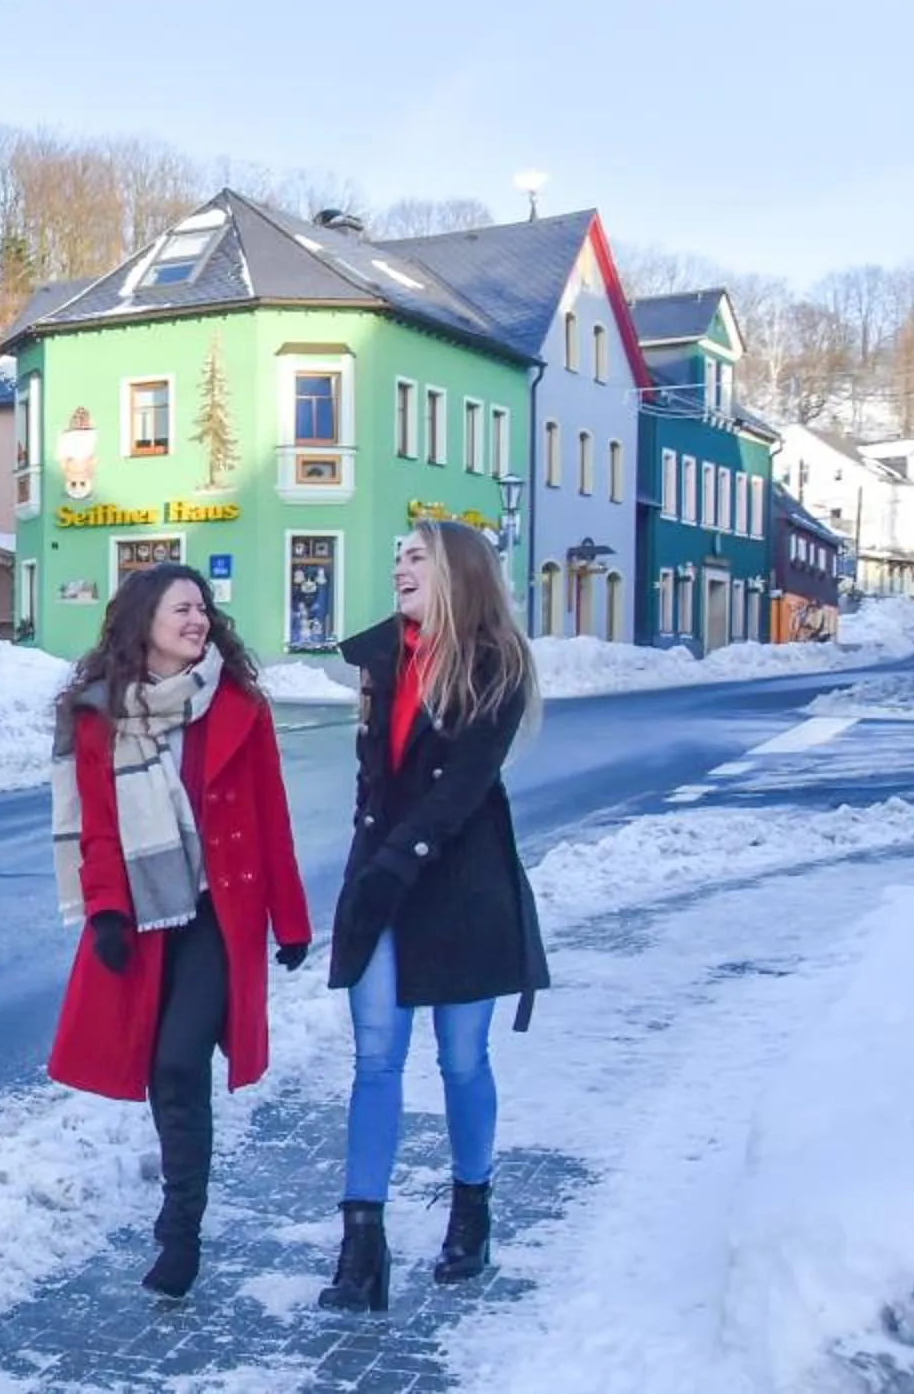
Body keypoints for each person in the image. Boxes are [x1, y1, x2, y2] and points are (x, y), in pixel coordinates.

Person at [48, 562, 313, 1299]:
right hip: (144, 913)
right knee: (159, 1068)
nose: (198, 621)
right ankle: (181, 1221)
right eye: (182, 610)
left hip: (217, 917)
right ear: (145, 623)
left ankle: (179, 1229)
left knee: (176, 1063)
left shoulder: (239, 707)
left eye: (203, 609)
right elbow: (95, 826)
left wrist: (289, 920)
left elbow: (271, 818)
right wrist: (104, 912)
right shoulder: (100, 715)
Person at [318, 520, 551, 1312]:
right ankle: (362, 1247)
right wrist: (366, 876)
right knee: (376, 1057)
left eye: (416, 555)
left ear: (459, 572)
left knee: (460, 1060)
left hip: (460, 889)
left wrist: (392, 869)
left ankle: (471, 1211)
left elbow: (459, 793)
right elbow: (371, 783)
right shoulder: (384, 658)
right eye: (396, 555)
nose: (399, 568)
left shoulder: (498, 666)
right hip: (380, 886)